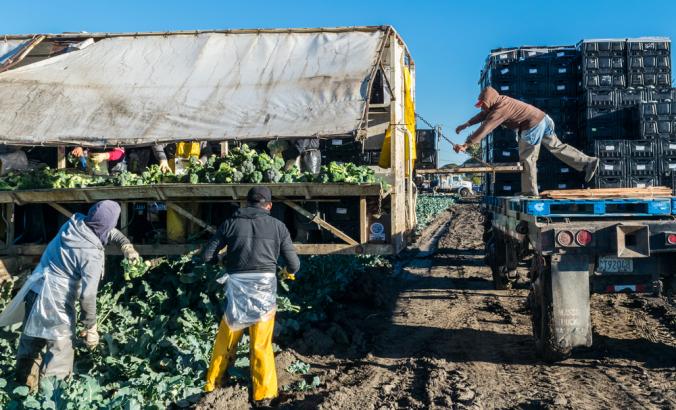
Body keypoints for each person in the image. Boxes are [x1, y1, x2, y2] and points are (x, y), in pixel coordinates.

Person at [0, 201, 139, 388]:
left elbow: (105, 228)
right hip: (55, 302)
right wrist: (91, 327)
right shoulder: (91, 254)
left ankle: (21, 390)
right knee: (60, 353)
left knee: (31, 343)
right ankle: (52, 399)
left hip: (35, 291)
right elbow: (88, 296)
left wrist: (126, 245)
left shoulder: (75, 223)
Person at [200, 187, 300, 405]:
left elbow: (207, 255)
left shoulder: (230, 223)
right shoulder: (278, 227)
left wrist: (220, 261)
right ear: (269, 206)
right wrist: (287, 272)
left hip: (237, 289)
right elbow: (294, 264)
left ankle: (213, 384)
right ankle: (264, 396)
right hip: (264, 288)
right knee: (261, 343)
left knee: (226, 338)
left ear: (246, 203)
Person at [454, 86, 600, 196]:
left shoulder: (500, 110)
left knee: (527, 159)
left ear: (489, 100)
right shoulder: (498, 102)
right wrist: (467, 124)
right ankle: (588, 162)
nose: (483, 107)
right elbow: (483, 115)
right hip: (543, 119)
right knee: (557, 147)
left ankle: (530, 194)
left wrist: (466, 144)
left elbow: (486, 127)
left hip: (532, 125)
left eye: (483, 104)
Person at [152, 142, 213, 242]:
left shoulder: (201, 136)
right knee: (174, 208)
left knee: (194, 208)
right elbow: (156, 143)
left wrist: (202, 161)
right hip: (174, 180)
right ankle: (175, 242)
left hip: (193, 181)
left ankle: (193, 240)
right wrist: (163, 159)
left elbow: (208, 151)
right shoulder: (173, 132)